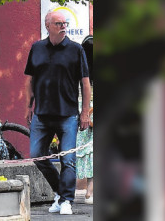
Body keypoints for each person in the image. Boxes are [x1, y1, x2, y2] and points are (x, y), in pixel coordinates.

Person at [24, 8, 91, 216]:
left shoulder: (75, 50)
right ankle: (60, 194)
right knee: (37, 155)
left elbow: (85, 83)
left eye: (65, 24)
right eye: (59, 24)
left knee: (68, 159)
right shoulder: (36, 48)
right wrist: (28, 105)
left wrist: (85, 113)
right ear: (48, 26)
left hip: (68, 114)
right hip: (42, 114)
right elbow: (29, 79)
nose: (63, 27)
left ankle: (67, 201)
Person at [75, 35, 94, 205]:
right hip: (91, 110)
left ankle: (87, 190)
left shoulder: (79, 67)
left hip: (82, 111)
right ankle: (90, 190)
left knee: (84, 151)